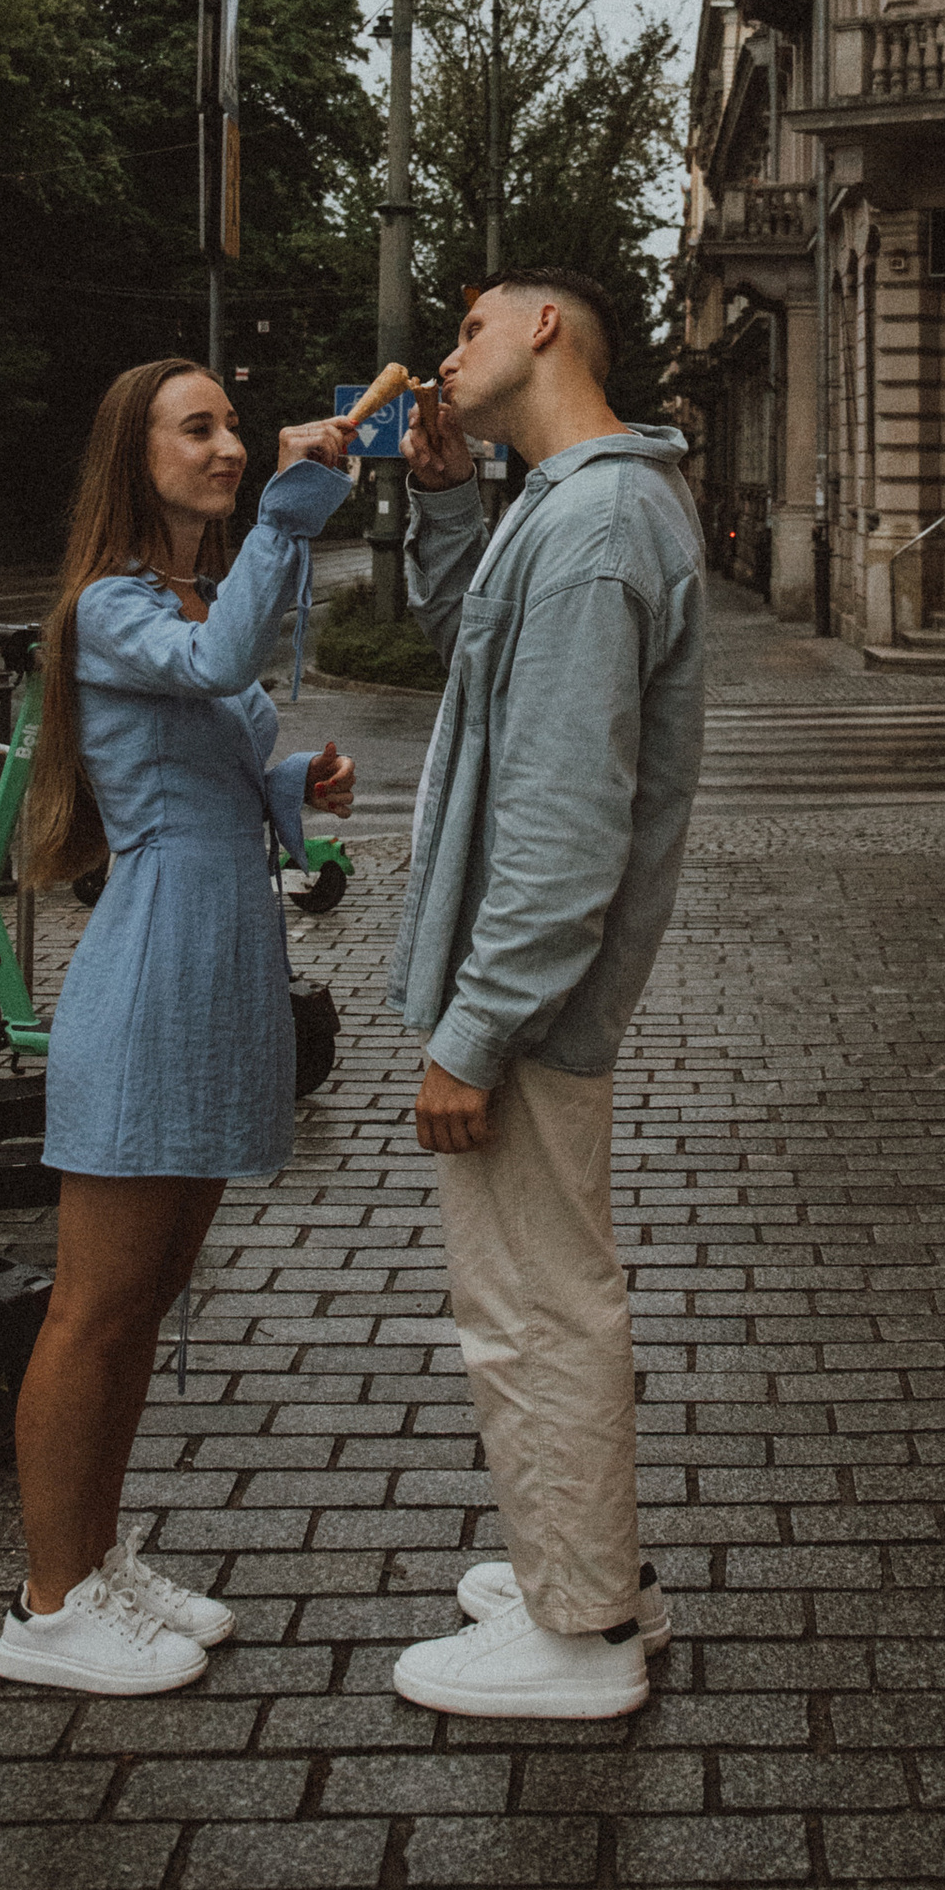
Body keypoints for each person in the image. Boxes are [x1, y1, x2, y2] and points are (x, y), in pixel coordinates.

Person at [0, 356, 357, 1697]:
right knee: (93, 1306)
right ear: (133, 457)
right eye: (197, 429)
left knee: (144, 1299)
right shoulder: (113, 608)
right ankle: (45, 1607)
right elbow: (213, 667)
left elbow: (204, 736)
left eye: (231, 426)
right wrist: (285, 514)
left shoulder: (183, 599)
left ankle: (94, 1566)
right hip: (154, 973)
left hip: (210, 961)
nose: (227, 446)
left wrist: (286, 776)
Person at [383, 265, 706, 1720]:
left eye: (467, 329)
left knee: (532, 1308)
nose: (442, 356)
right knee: (543, 1293)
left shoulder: (593, 529)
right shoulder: (571, 509)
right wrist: (450, 502)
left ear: (545, 330)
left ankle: (579, 1634)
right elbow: (475, 662)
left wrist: (474, 1032)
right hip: (531, 998)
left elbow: (568, 832)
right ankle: (587, 1575)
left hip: (527, 1008)